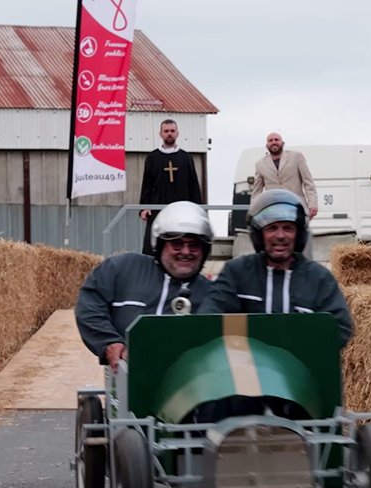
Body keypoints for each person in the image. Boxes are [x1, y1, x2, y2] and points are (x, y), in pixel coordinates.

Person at [201, 189, 353, 344]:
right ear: (259, 235)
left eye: (288, 228)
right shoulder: (236, 272)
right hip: (245, 358)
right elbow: (208, 317)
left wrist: (299, 341)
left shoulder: (319, 278)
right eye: (272, 228)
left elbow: (340, 328)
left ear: (299, 235)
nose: (280, 236)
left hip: (301, 359)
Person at [76, 201, 213, 371]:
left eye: (194, 245)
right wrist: (109, 342)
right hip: (128, 381)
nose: (185, 252)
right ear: (160, 244)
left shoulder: (213, 295)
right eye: (177, 244)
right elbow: (90, 303)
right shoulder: (123, 269)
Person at [138, 119, 202, 255]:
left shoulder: (186, 158)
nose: (169, 134)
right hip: (157, 210)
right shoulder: (152, 158)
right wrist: (144, 207)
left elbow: (193, 186)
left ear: (177, 133)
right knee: (153, 249)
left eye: (172, 131)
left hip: (181, 211)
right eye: (166, 131)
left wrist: (197, 209)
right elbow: (147, 184)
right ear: (160, 134)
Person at [252, 132, 319, 219]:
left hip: (297, 208)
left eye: (276, 140)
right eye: (270, 140)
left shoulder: (296, 157)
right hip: (274, 210)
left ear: (283, 143)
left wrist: (313, 204)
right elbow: (256, 192)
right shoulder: (260, 164)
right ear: (267, 145)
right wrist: (253, 211)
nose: (273, 142)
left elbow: (308, 183)